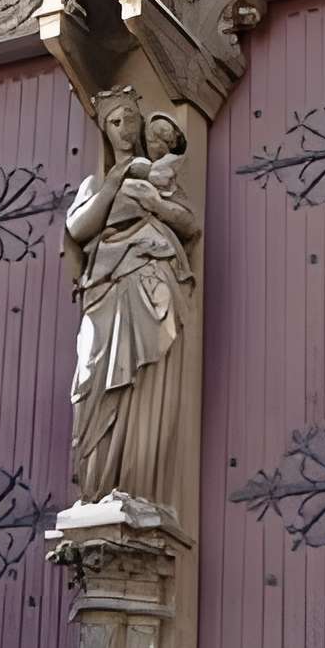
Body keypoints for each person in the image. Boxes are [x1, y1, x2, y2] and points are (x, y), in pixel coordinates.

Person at [65, 87, 198, 511]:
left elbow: (189, 224)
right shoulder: (99, 182)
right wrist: (114, 182)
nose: (124, 131)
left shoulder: (159, 176)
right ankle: (99, 487)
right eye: (115, 123)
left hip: (149, 276)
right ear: (105, 130)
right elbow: (79, 229)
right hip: (104, 289)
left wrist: (155, 203)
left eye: (131, 121)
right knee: (94, 379)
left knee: (142, 382)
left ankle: (137, 488)